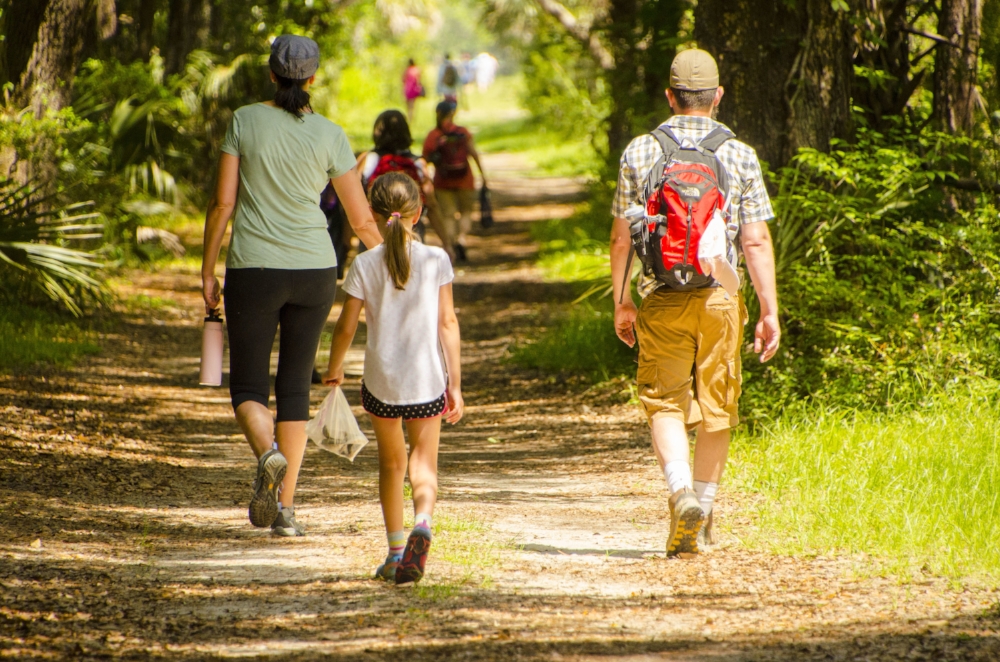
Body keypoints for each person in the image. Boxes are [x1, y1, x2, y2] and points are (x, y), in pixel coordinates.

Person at [201, 35, 382, 538]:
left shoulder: (243, 120)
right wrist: (394, 266)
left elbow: (222, 204)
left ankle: (269, 454)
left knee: (249, 387)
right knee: (295, 389)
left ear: (271, 73)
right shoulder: (330, 133)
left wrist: (207, 268)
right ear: (313, 78)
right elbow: (361, 217)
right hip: (315, 270)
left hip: (254, 269)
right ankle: (284, 511)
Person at [610, 49, 780, 558]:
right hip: (720, 298)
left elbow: (622, 240)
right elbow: (755, 242)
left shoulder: (640, 151)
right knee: (717, 404)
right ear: (718, 96)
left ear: (669, 96)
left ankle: (680, 490)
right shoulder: (739, 154)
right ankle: (702, 513)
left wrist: (621, 302)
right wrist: (769, 310)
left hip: (660, 296)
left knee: (664, 401)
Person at [323, 172, 464, 585]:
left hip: (382, 382)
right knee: (424, 465)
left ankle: (396, 552)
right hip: (427, 380)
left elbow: (346, 326)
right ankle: (423, 521)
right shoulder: (436, 259)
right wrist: (454, 384)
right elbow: (448, 322)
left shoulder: (364, 263)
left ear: (372, 213)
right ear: (417, 214)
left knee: (391, 465)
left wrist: (334, 369)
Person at [355, 110, 454, 260]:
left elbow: (353, 201)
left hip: (373, 232)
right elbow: (432, 204)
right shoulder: (417, 163)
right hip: (412, 232)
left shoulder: (366, 160)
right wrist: (446, 243)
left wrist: (346, 240)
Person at [422, 100, 487, 262]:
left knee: (448, 215)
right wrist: (483, 175)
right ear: (453, 114)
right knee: (466, 212)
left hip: (442, 181)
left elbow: (424, 160)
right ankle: (462, 239)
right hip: (465, 179)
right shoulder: (463, 132)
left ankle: (450, 243)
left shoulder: (434, 135)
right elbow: (473, 153)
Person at [402, 59, 423, 123]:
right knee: (412, 105)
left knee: (408, 106)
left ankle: (408, 117)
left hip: (407, 89)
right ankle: (411, 118)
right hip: (414, 89)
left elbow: (403, 80)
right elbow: (419, 80)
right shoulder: (417, 70)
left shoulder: (406, 70)